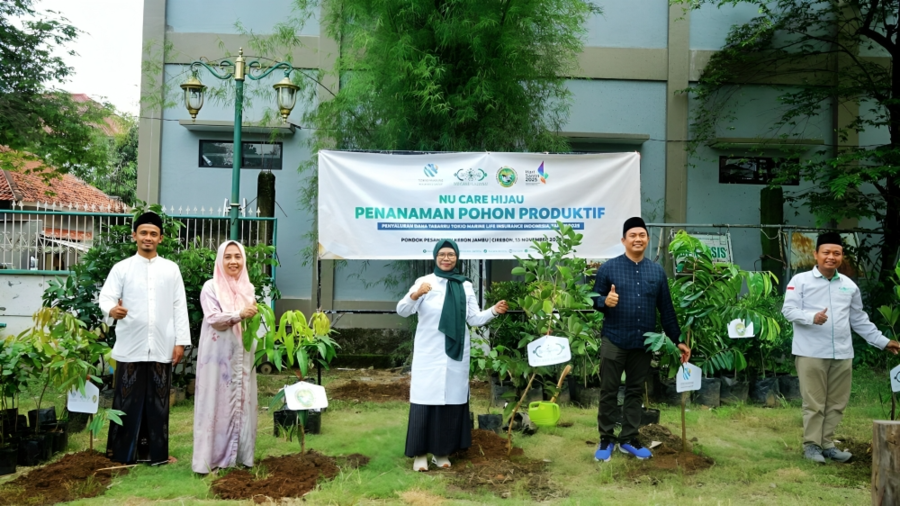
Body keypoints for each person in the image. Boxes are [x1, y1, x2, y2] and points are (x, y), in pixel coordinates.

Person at [782, 231, 900, 464]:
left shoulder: (849, 285)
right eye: (826, 252)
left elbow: (858, 319)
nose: (831, 257)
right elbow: (788, 311)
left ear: (841, 256)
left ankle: (827, 444)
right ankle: (811, 446)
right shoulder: (800, 281)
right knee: (814, 403)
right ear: (816, 254)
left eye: (836, 253)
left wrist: (883, 341)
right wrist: (811, 317)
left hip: (842, 353)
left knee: (837, 402)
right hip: (811, 352)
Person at [396, 239, 508, 472]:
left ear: (457, 258)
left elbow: (474, 318)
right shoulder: (424, 281)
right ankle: (420, 455)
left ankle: (441, 452)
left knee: (450, 402)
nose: (446, 258)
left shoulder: (465, 285)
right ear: (435, 257)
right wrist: (416, 295)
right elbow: (402, 310)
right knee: (425, 401)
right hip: (429, 352)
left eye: (451, 255)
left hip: (455, 353)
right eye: (442, 254)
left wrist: (493, 311)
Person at [592, 216, 690, 462]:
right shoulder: (608, 269)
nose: (638, 239)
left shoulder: (656, 271)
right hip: (614, 340)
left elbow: (665, 309)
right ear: (624, 240)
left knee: (635, 391)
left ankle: (628, 439)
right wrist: (606, 302)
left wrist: (677, 339)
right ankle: (606, 438)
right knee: (608, 391)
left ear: (647, 239)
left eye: (642, 235)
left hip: (643, 343)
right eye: (633, 235)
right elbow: (595, 299)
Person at [99, 211, 190, 465]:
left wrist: (180, 342)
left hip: (162, 344)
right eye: (143, 233)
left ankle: (157, 455)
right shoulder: (122, 268)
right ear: (134, 236)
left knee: (159, 402)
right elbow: (106, 298)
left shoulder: (171, 270)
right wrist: (112, 310)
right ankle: (121, 454)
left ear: (160, 238)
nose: (148, 238)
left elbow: (179, 307)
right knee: (126, 400)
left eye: (153, 234)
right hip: (131, 344)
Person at [192, 240, 260, 474]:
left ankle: (241, 457)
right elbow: (214, 319)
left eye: (238, 257)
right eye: (228, 257)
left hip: (242, 355)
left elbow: (254, 324)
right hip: (217, 358)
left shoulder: (248, 289)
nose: (233, 261)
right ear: (220, 260)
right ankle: (210, 460)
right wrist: (240, 314)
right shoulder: (210, 287)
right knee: (216, 402)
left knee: (242, 401)